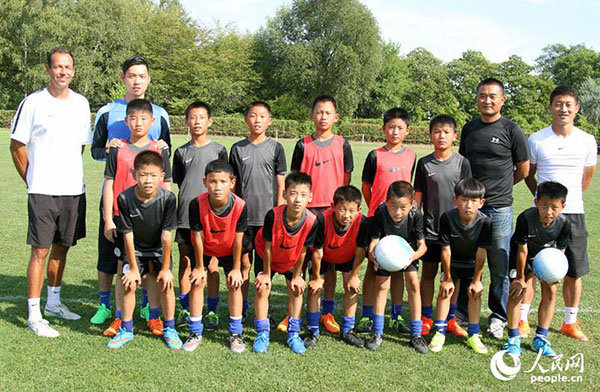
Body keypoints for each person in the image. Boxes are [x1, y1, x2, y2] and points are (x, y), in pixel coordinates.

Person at [10, 48, 91, 337]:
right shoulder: (33, 103)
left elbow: (80, 145)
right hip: (42, 190)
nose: (63, 72)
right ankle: (34, 314)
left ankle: (54, 302)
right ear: (47, 69)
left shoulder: (81, 104)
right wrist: (32, 179)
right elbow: (17, 146)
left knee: (62, 247)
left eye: (68, 67)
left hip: (72, 190)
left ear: (73, 71)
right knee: (40, 250)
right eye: (58, 67)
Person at [90, 55, 170, 325]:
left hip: (149, 202)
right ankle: (104, 306)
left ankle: (148, 306)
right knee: (109, 257)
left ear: (148, 78)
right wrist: (110, 148)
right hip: (115, 198)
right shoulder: (107, 111)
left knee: (147, 257)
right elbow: (95, 150)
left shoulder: (160, 114)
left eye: (142, 75)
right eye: (131, 75)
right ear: (123, 77)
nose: (137, 80)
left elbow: (163, 151)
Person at [459, 78, 529, 339]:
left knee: (498, 263)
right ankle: (463, 311)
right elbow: (463, 163)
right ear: (476, 98)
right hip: (471, 208)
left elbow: (523, 169)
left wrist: (501, 188)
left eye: (492, 96)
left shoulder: (512, 129)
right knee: (466, 260)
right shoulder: (469, 129)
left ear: (502, 100)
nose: (487, 100)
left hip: (499, 208)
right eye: (482, 96)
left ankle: (498, 316)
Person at [525, 85, 597, 341]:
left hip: (573, 212)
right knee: (531, 269)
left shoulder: (587, 140)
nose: (563, 109)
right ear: (550, 107)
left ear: (577, 108)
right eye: (558, 103)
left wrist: (565, 203)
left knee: (573, 270)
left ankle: (570, 322)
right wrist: (543, 201)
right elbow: (528, 173)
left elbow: (586, 177)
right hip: (540, 215)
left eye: (568, 104)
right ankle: (523, 319)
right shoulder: (536, 139)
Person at [102, 99, 172, 337]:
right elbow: (109, 184)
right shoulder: (117, 149)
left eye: (143, 119)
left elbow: (168, 186)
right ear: (126, 121)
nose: (138, 123)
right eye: (133, 118)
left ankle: (154, 317)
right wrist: (109, 219)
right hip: (123, 218)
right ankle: (121, 317)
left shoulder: (159, 149)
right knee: (124, 269)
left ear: (152, 122)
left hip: (153, 219)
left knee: (152, 270)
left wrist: (166, 218)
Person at [287, 95, 353, 334]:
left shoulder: (342, 144)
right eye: (319, 112)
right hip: (305, 212)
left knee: (327, 265)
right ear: (311, 115)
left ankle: (326, 311)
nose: (323, 117)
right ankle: (292, 313)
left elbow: (346, 179)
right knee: (300, 261)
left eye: (328, 113)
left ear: (336, 117)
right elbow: (295, 179)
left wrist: (337, 208)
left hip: (330, 212)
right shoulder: (302, 144)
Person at [107, 150, 181, 349]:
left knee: (166, 284)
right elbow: (127, 235)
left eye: (153, 175)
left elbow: (167, 236)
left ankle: (170, 328)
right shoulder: (124, 198)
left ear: (161, 177)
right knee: (128, 283)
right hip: (135, 249)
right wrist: (132, 267)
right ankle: (126, 329)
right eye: (143, 174)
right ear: (134, 175)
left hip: (158, 249)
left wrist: (165, 269)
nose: (148, 180)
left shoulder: (168, 199)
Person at [359, 108, 416, 335]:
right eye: (391, 127)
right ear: (383, 129)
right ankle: (366, 315)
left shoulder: (411, 155)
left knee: (398, 269)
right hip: (377, 219)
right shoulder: (375, 155)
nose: (395, 131)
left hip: (402, 222)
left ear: (407, 130)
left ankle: (396, 314)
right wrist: (376, 209)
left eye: (400, 128)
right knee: (374, 267)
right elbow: (366, 187)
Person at [413, 115, 471, 336]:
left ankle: (451, 318)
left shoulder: (462, 163)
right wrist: (415, 223)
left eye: (447, 131)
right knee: (428, 273)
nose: (442, 135)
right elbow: (418, 196)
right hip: (430, 230)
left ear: (454, 136)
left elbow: (467, 197)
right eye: (437, 131)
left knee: (452, 275)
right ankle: (427, 316)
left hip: (455, 230)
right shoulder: (424, 163)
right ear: (430, 135)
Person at [230, 101, 286, 323]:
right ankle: (242, 309)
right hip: (244, 218)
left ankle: (263, 311)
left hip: (267, 219)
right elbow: (232, 185)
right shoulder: (237, 148)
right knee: (244, 264)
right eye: (253, 116)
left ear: (269, 121)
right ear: (246, 119)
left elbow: (281, 184)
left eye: (262, 116)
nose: (257, 120)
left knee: (264, 269)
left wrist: (279, 211)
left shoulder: (276, 148)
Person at [172, 101, 227, 329]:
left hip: (211, 218)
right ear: (186, 121)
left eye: (201, 117)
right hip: (185, 215)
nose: (196, 122)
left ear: (209, 121)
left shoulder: (219, 150)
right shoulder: (180, 152)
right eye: (192, 118)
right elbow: (178, 181)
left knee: (211, 265)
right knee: (186, 262)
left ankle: (212, 310)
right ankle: (185, 309)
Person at [183, 160, 247, 353]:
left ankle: (236, 333)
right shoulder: (196, 204)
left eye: (222, 181)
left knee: (235, 282)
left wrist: (236, 269)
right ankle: (195, 332)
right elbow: (197, 237)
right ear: (204, 182)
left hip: (230, 249)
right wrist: (199, 266)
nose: (217, 187)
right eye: (212, 181)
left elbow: (238, 240)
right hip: (206, 247)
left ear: (232, 183)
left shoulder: (241, 206)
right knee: (196, 281)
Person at [252, 172, 319, 354]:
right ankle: (262, 333)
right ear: (284, 195)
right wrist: (266, 274)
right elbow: (267, 246)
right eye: (293, 193)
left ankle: (293, 333)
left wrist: (297, 276)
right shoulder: (273, 216)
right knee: (262, 288)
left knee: (297, 289)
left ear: (310, 197)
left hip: (292, 257)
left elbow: (304, 249)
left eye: (303, 195)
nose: (298, 199)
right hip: (267, 255)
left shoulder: (312, 221)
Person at [502, 181, 571, 357]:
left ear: (563, 206)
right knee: (517, 292)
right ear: (536, 202)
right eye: (544, 206)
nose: (548, 212)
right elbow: (522, 250)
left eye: (554, 207)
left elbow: (559, 252)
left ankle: (540, 338)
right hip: (521, 256)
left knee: (551, 291)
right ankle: (513, 339)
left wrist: (557, 272)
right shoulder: (526, 218)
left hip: (545, 258)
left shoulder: (564, 224)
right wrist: (520, 278)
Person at [428, 179, 492, 354]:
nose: (468, 205)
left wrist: (477, 280)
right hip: (452, 261)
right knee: (445, 291)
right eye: (463, 200)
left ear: (481, 203)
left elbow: (481, 252)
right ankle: (440, 332)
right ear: (455, 200)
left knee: (475, 294)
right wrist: (447, 278)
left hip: (472, 263)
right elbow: (446, 250)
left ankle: (473, 335)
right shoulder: (447, 218)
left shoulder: (485, 222)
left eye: (473, 201)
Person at [305, 185, 370, 349]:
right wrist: (317, 278)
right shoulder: (321, 220)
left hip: (348, 256)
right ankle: (312, 331)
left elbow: (361, 251)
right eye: (342, 209)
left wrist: (354, 275)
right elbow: (317, 252)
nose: (346, 215)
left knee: (352, 288)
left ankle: (348, 330)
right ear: (333, 206)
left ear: (358, 210)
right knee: (315, 288)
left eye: (351, 211)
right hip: (324, 255)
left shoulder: (362, 222)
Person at [366, 181, 428, 353]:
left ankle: (416, 335)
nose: (397, 212)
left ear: (412, 204)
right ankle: (377, 332)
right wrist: (373, 256)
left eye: (403, 207)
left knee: (413, 283)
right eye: (393, 206)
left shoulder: (416, 214)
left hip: (407, 252)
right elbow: (374, 241)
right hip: (385, 252)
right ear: (386, 202)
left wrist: (412, 257)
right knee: (381, 285)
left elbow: (423, 246)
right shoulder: (380, 212)